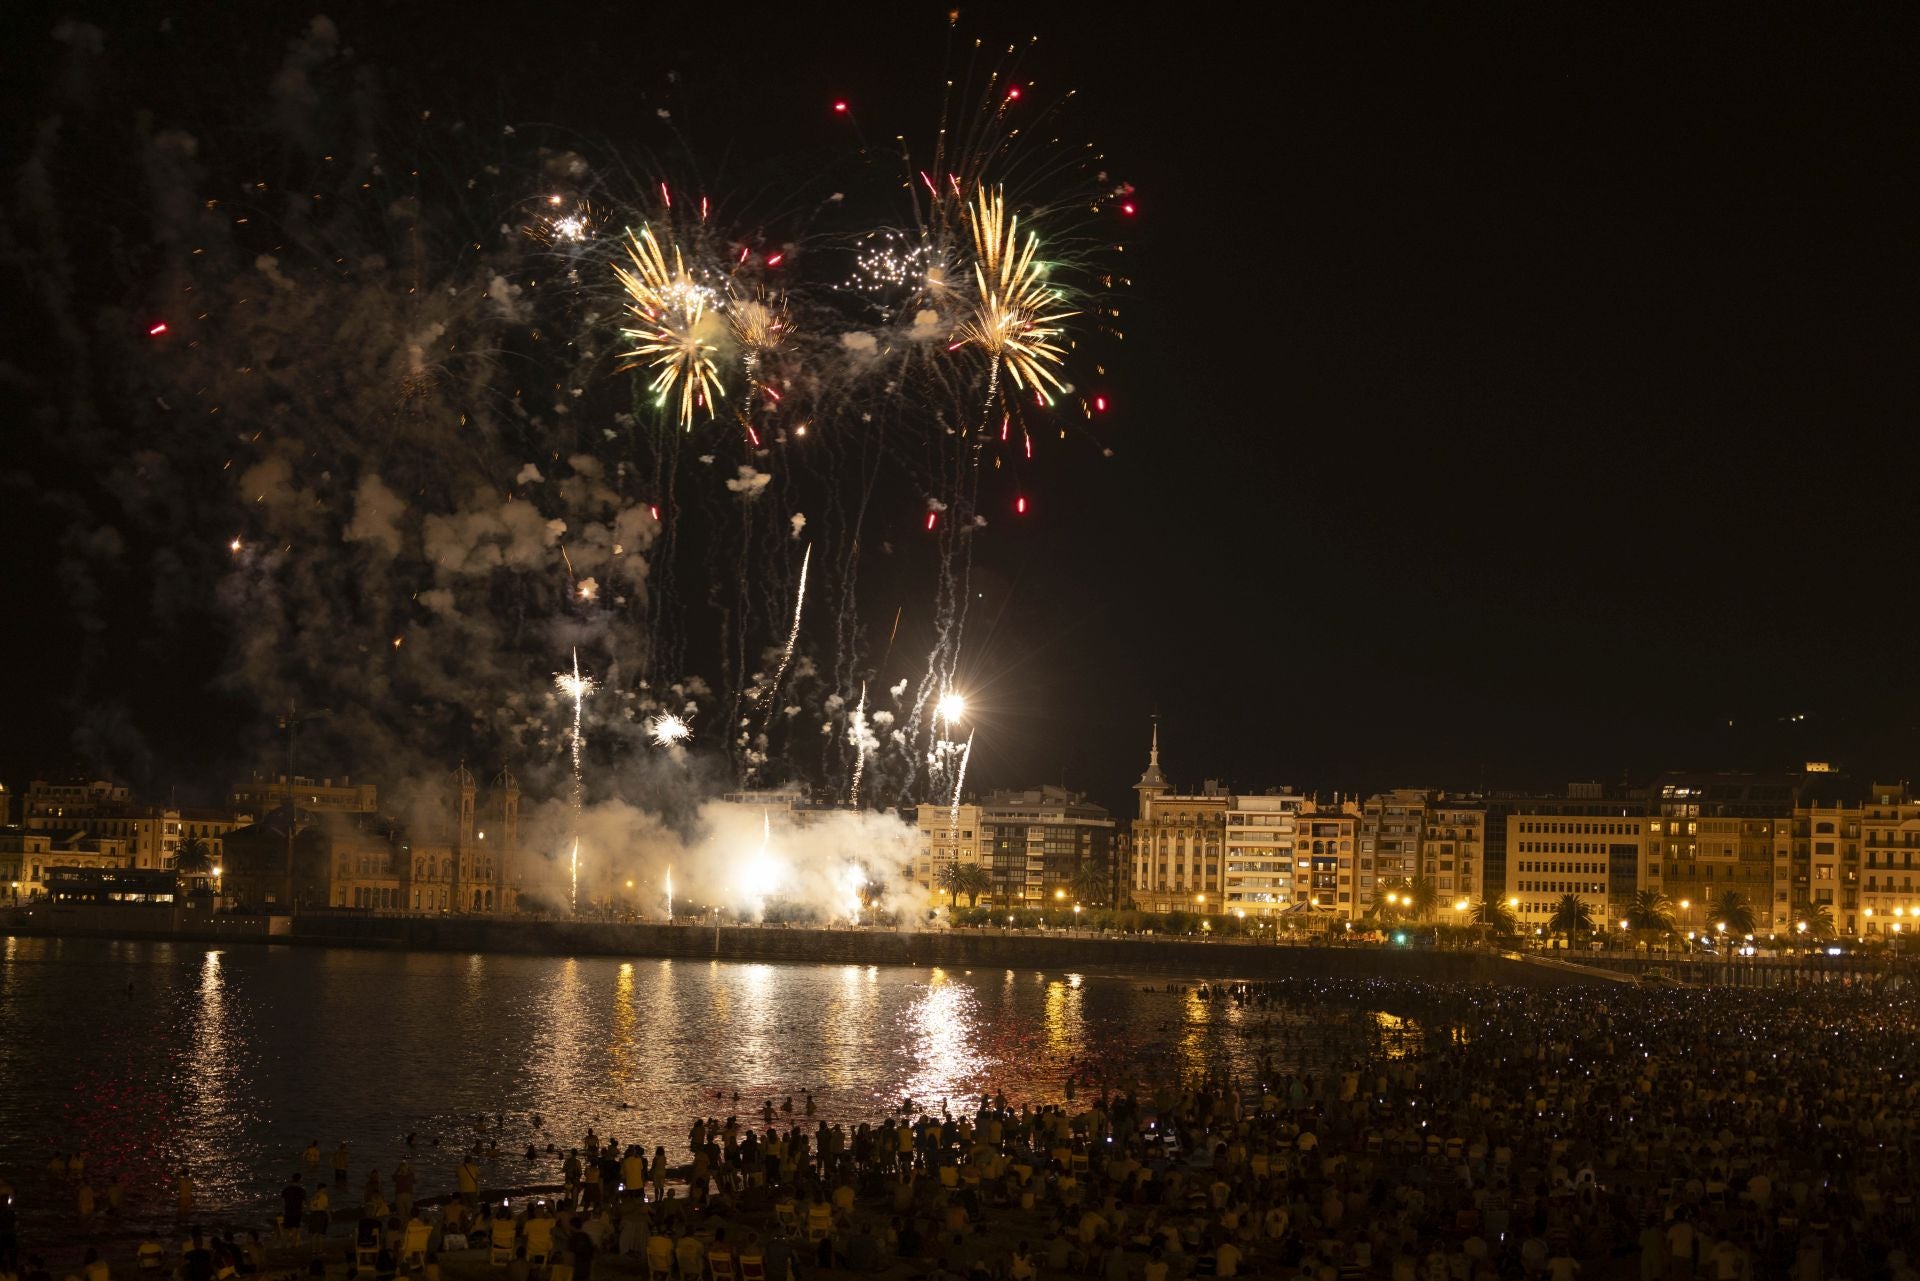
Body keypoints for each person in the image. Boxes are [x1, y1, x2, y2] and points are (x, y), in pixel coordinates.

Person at [280, 1174, 306, 1244]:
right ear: (300, 1180)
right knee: (295, 1230)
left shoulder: (286, 1190)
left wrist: (284, 1211)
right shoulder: (301, 1191)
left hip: (288, 1212)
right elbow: (303, 1204)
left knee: (286, 1231)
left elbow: (282, 1203)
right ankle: (293, 1246)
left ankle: (285, 1248)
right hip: (297, 1212)